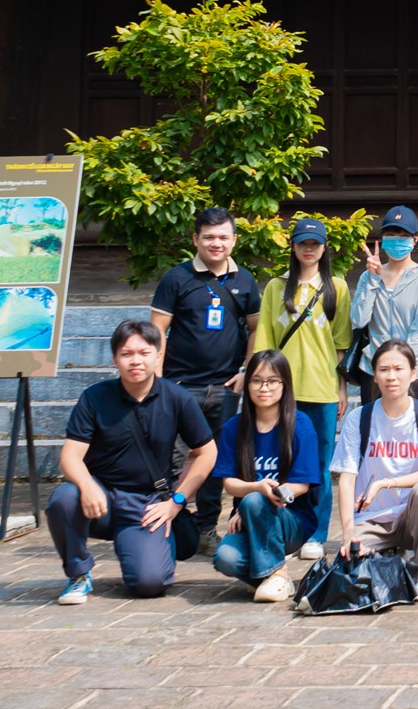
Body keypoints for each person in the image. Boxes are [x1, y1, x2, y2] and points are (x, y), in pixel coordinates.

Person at [47, 319, 216, 604]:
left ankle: (152, 545)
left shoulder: (177, 398)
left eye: (144, 353)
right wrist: (87, 486)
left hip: (147, 504)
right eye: (126, 354)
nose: (135, 361)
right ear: (114, 359)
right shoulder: (95, 397)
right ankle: (78, 574)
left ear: (158, 356)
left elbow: (207, 452)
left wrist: (177, 501)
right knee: (64, 498)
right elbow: (70, 457)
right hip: (102, 500)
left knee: (150, 583)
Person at [147, 206, 259, 552]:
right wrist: (159, 379)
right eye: (208, 237)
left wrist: (245, 371)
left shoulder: (245, 281)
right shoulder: (177, 279)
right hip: (179, 387)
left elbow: (256, 329)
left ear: (234, 240)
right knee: (172, 460)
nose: (216, 243)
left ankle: (207, 527)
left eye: (223, 237)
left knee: (215, 460)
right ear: (196, 239)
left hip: (226, 388)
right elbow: (157, 330)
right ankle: (167, 525)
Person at [251, 217, 350, 561]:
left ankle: (317, 533)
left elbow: (340, 343)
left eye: (316, 244)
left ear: (324, 249)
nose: (309, 249)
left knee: (321, 464)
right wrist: (260, 381)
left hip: (322, 387)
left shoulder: (337, 287)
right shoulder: (277, 288)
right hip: (282, 388)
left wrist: (340, 387)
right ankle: (285, 526)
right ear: (292, 247)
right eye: (303, 243)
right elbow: (264, 336)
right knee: (283, 461)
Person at [328, 339, 418, 602]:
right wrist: (348, 533)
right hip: (373, 520)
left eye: (399, 368)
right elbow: (347, 479)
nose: (391, 376)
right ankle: (392, 557)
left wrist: (384, 483)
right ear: (374, 376)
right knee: (351, 568)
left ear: (413, 373)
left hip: (415, 516)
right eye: (384, 369)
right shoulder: (358, 417)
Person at [211, 349, 320, 602]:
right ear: (247, 384)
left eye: (272, 381)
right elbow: (230, 484)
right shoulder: (233, 428)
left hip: (292, 519)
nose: (264, 388)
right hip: (250, 517)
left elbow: (302, 484)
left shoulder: (299, 424)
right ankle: (271, 574)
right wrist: (255, 493)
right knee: (225, 558)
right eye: (257, 380)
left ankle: (278, 576)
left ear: (285, 384)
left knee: (255, 500)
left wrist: (267, 497)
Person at [351, 205, 418, 404]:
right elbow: (359, 320)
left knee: (412, 434)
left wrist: (397, 367)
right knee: (372, 433)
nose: (396, 239)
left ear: (414, 239)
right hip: (374, 371)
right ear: (382, 239)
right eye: (391, 234)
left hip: (413, 371)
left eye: (403, 235)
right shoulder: (368, 276)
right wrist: (373, 280)